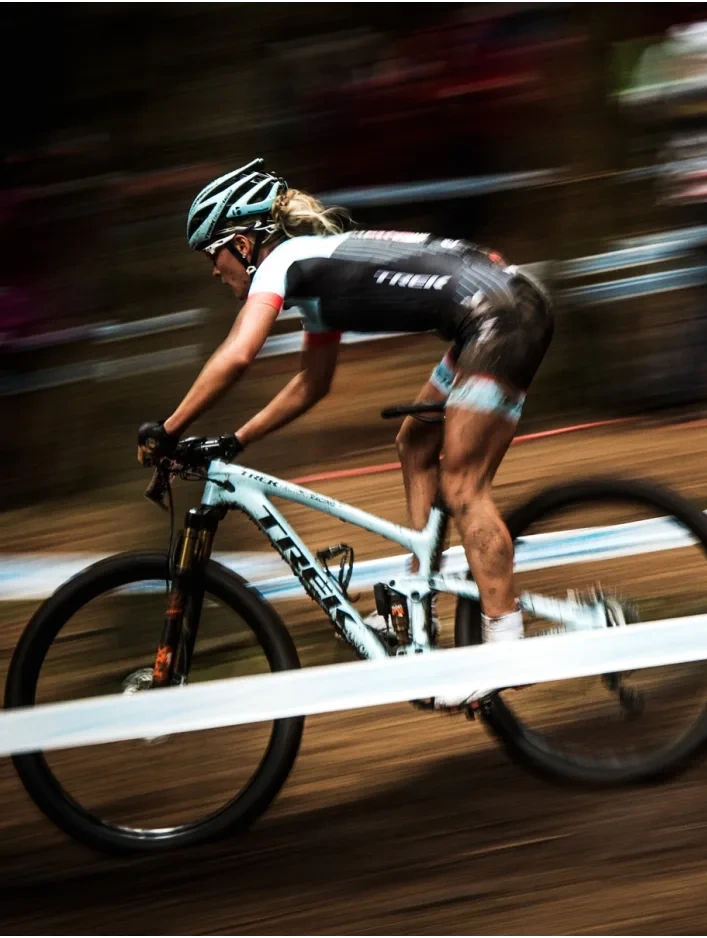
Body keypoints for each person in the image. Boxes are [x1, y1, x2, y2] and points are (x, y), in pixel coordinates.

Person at [137, 157, 555, 711]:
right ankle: (420, 589)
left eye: (212, 255)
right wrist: (235, 440)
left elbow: (238, 355)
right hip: (493, 311)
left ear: (241, 243)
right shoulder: (316, 274)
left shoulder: (284, 261)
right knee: (414, 443)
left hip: (500, 317)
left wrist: (167, 430)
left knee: (463, 486)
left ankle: (506, 651)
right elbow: (313, 384)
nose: (215, 272)